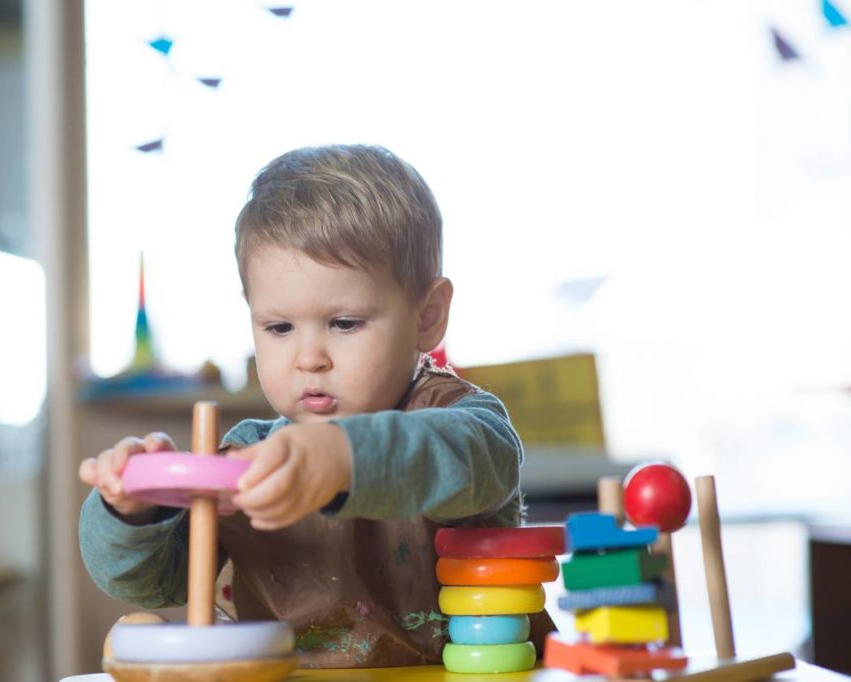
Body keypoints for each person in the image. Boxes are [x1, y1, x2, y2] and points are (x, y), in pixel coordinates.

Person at [78, 144, 551, 667]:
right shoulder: (248, 459)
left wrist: (340, 457)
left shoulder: (465, 423)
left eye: (344, 323)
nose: (308, 358)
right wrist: (136, 516)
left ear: (427, 316)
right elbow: (151, 584)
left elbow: (472, 464)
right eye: (279, 327)